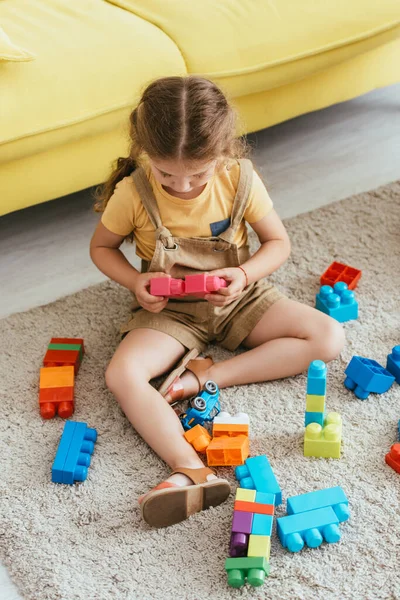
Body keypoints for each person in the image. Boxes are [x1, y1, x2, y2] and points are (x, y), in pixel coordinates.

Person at [90, 75, 345, 528]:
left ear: (224, 153)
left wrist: (244, 273)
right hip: (169, 312)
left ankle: (207, 377)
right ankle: (191, 469)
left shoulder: (238, 177)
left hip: (241, 297)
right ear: (145, 152)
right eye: (168, 173)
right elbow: (102, 249)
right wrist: (135, 282)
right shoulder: (133, 191)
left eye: (198, 173)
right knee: (121, 374)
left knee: (328, 336)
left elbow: (278, 243)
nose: (183, 185)